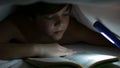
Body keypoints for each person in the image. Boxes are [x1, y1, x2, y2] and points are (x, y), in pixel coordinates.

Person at [0, 2, 113, 60]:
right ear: (31, 18)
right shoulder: (18, 24)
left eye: (65, 13)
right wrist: (40, 49)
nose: (60, 23)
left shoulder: (73, 29)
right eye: (50, 17)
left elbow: (109, 41)